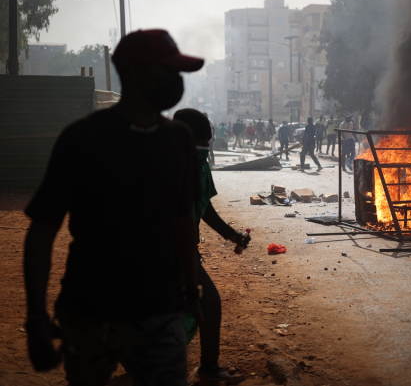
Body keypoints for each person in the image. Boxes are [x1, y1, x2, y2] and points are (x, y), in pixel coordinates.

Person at [23, 29, 203, 385]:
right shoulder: (82, 140)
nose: (175, 81)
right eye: (166, 71)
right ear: (136, 73)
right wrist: (35, 317)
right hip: (90, 313)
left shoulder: (178, 140)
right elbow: (42, 232)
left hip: (161, 311)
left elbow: (183, 223)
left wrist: (190, 291)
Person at [173, 109, 249, 385]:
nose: (205, 148)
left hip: (185, 248)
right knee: (206, 302)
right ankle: (206, 365)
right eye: (200, 142)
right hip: (164, 250)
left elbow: (205, 209)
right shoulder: (166, 165)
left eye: (208, 141)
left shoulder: (200, 167)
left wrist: (233, 235)